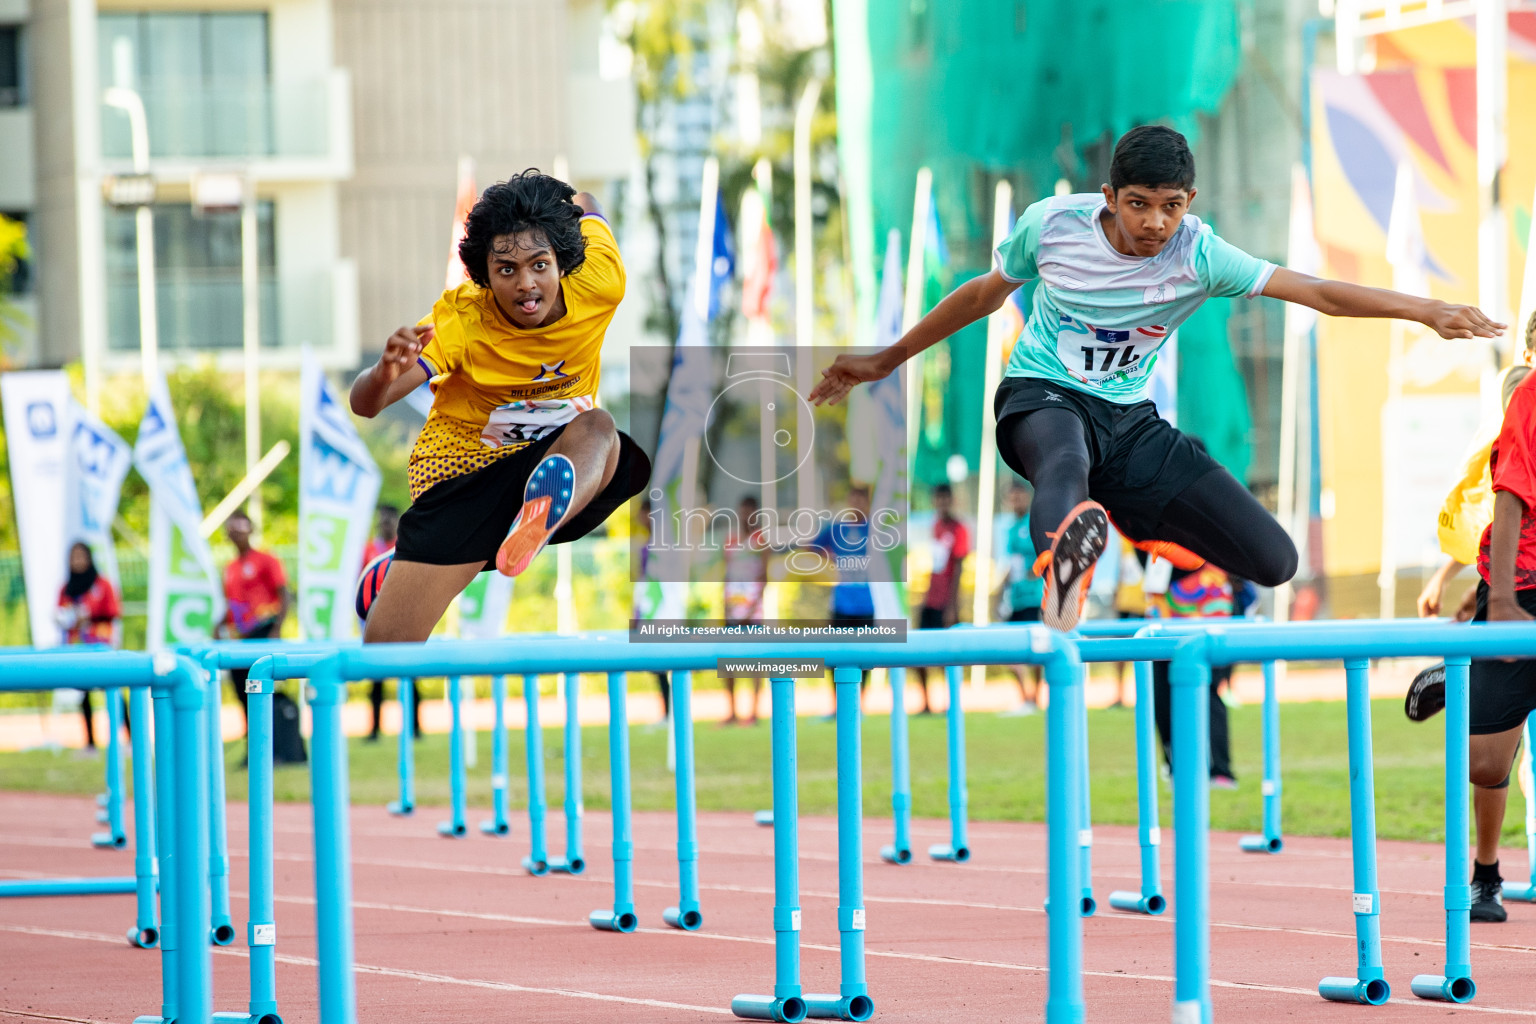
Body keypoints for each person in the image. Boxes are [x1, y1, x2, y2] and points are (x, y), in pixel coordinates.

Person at [810, 124, 1503, 632]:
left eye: (1172, 205)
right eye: (1139, 203)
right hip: (1042, 397)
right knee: (1065, 460)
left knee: (1274, 559)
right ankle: (1063, 582)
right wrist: (885, 359)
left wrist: (1426, 310)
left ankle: (1139, 530)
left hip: (1131, 421)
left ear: (1189, 200)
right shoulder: (1052, 226)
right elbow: (984, 294)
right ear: (1109, 196)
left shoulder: (1200, 254)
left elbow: (1316, 290)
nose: (1155, 223)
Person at [348, 170, 650, 644]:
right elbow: (367, 405)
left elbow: (588, 201)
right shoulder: (463, 320)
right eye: (506, 271)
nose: (526, 285)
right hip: (461, 475)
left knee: (600, 429)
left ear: (563, 261)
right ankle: (394, 573)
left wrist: (569, 201)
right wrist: (385, 372)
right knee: (388, 650)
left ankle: (539, 509)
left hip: (553, 462)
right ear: (486, 277)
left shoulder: (600, 282)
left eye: (539, 265)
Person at [1403, 365, 1536, 923]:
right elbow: (1503, 502)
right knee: (1486, 764)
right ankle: (1486, 871)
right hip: (1523, 586)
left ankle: (1468, 677)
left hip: (1502, 586)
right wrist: (1497, 596)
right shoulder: (1524, 400)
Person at [1149, 560, 1239, 788]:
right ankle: (1177, 767)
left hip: (1205, 607)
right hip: (1163, 612)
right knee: (1163, 699)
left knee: (1208, 696)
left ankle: (1218, 769)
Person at [806, 485, 877, 709]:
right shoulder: (837, 529)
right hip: (842, 603)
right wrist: (829, 560)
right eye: (853, 499)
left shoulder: (876, 531)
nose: (857, 504)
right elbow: (811, 547)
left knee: (865, 657)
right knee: (834, 654)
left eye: (861, 500)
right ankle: (837, 704)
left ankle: (859, 704)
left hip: (867, 603)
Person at [221, 510, 290, 731]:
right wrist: (219, 625)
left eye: (241, 527)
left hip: (263, 629)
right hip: (241, 636)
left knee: (261, 685)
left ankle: (275, 740)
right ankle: (252, 738)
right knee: (241, 687)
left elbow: (285, 594)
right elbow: (231, 603)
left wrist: (277, 628)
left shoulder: (266, 560)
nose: (237, 533)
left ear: (250, 529)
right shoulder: (229, 568)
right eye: (232, 529)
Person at [360, 505, 420, 741]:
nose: (385, 523)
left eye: (389, 519)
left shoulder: (406, 545)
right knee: (376, 678)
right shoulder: (368, 550)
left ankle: (414, 727)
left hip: (405, 616)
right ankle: (374, 729)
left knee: (410, 673)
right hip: (377, 617)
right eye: (382, 519)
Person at [57, 542, 121, 752]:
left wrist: (89, 618)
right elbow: (61, 614)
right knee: (83, 695)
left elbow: (114, 612)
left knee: (113, 691)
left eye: (81, 556)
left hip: (101, 647)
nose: (77, 561)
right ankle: (90, 743)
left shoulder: (102, 585)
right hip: (78, 648)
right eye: (73, 557)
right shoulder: (67, 589)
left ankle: (126, 739)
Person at [912, 483, 970, 713]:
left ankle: (953, 702)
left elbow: (958, 568)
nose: (942, 503)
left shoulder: (959, 529)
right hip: (931, 598)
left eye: (946, 499)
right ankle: (926, 703)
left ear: (951, 501)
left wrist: (952, 605)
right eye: (938, 499)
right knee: (918, 653)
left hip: (947, 601)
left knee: (950, 655)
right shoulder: (935, 526)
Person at [996, 481, 1044, 715]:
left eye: (1019, 497)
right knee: (1010, 649)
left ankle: (1035, 698)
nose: (1016, 502)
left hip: (1034, 597)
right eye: (1012, 498)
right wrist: (999, 591)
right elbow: (1010, 563)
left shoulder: (1036, 522)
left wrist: (1034, 572)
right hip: (1015, 596)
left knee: (1036, 648)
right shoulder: (1011, 528)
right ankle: (1025, 697)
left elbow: (1047, 556)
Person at [722, 495, 769, 725]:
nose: (745, 515)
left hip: (753, 611)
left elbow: (765, 577)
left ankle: (754, 712)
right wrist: (725, 607)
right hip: (732, 608)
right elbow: (726, 575)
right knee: (728, 660)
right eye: (742, 510)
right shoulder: (730, 540)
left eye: (749, 511)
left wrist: (752, 609)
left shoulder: (761, 541)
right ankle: (732, 711)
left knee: (755, 660)